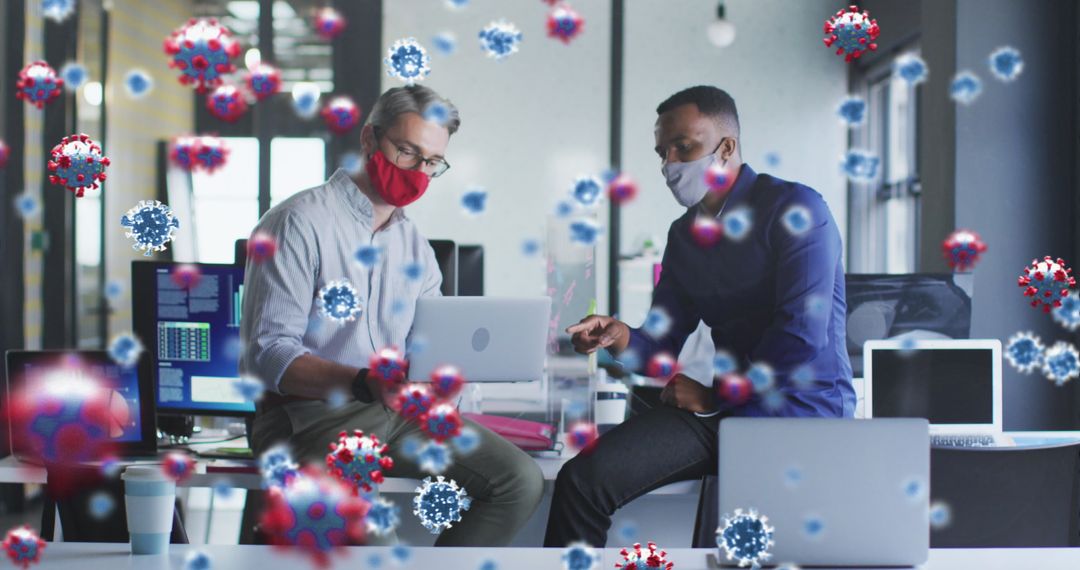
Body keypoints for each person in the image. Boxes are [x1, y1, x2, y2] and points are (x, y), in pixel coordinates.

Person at [544, 85, 855, 547]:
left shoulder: (797, 209)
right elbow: (659, 346)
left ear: (726, 147)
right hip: (725, 411)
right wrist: (618, 335)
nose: (670, 163)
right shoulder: (685, 235)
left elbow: (801, 340)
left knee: (727, 543)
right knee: (582, 481)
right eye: (663, 152)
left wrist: (715, 395)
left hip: (799, 410)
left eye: (683, 147)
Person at [241, 85, 544, 546]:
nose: (418, 172)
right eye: (407, 152)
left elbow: (431, 343)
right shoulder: (297, 222)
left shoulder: (414, 245)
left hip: (398, 413)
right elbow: (268, 354)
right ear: (368, 139)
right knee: (378, 545)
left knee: (519, 480)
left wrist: (444, 378)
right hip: (312, 418)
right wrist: (364, 381)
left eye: (431, 163)